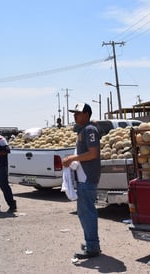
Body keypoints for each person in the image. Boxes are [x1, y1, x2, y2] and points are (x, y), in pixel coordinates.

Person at [62, 102, 101, 259]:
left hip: (88, 178)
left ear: (86, 114)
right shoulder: (84, 130)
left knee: (87, 213)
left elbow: (93, 154)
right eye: (74, 113)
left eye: (77, 113)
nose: (75, 115)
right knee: (84, 212)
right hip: (83, 177)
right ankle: (91, 243)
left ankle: (92, 247)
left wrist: (72, 157)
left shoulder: (90, 130)